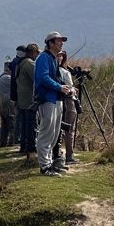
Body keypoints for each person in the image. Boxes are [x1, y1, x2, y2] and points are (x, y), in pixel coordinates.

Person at [34, 31, 74, 175]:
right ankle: (44, 166)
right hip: (48, 99)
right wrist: (60, 87)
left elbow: (54, 77)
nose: (61, 43)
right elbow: (43, 78)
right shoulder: (43, 58)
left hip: (57, 99)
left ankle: (50, 163)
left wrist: (66, 87)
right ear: (50, 43)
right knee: (46, 133)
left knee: (55, 133)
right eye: (58, 41)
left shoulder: (52, 58)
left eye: (62, 41)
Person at [15, 43, 40, 158]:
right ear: (32, 52)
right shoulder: (30, 64)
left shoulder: (20, 63)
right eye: (37, 53)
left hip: (22, 99)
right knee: (31, 125)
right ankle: (31, 148)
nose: (38, 55)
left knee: (25, 125)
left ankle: (23, 146)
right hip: (29, 100)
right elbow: (37, 79)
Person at [58, 51, 78, 164]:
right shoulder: (64, 72)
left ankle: (58, 154)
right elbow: (70, 89)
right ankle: (69, 155)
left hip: (58, 102)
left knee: (58, 129)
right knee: (70, 129)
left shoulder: (52, 71)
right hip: (69, 102)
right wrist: (73, 90)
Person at [8, 45, 27, 145]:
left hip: (15, 93)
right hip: (19, 93)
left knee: (18, 115)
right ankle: (18, 138)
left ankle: (17, 137)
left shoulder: (14, 62)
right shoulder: (18, 63)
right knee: (19, 116)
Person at [0, 61, 15, 147]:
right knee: (12, 125)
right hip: (9, 104)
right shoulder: (8, 78)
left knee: (4, 126)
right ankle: (11, 143)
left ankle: (2, 144)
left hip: (3, 104)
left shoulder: (1, 78)